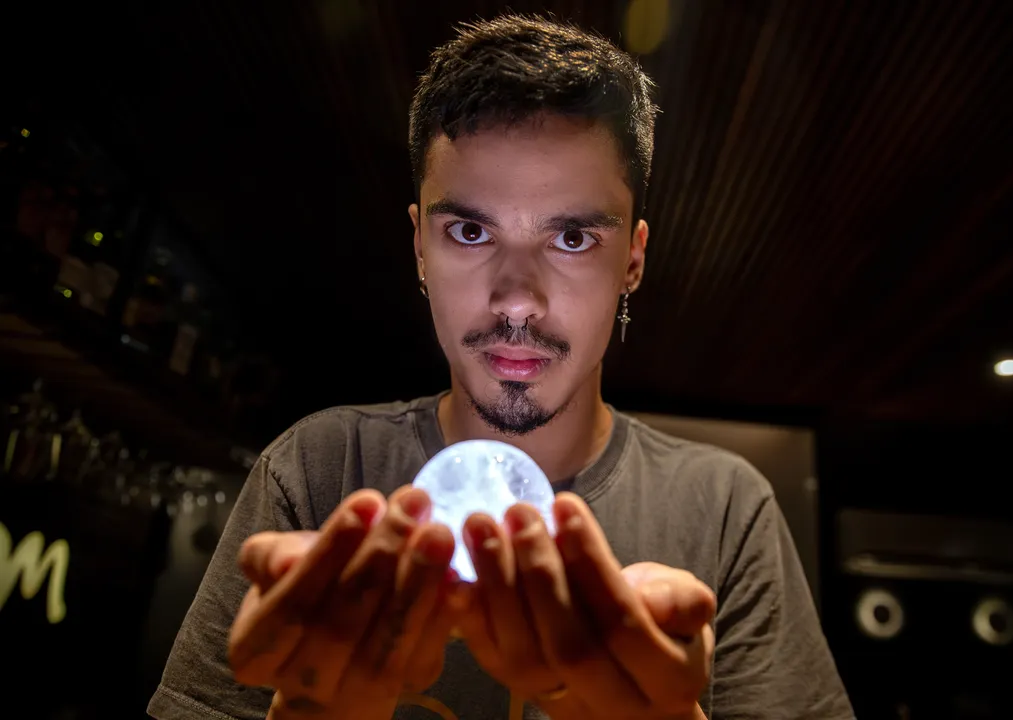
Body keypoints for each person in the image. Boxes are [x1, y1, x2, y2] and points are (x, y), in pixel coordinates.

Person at [148, 14, 853, 720]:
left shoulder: (726, 507)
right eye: (470, 231)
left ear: (632, 259)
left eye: (573, 236)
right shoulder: (319, 469)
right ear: (420, 246)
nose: (517, 297)